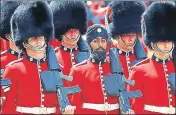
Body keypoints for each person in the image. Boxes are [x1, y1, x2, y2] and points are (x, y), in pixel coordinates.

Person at [2, 1, 75, 114]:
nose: (38, 41)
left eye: (41, 38)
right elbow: (9, 106)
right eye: (33, 39)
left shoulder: (58, 68)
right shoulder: (13, 69)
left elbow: (60, 101)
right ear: (24, 42)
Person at [69, 24, 134, 114]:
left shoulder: (116, 68)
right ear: (89, 44)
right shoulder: (78, 70)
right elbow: (74, 104)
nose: (100, 45)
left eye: (103, 41)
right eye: (95, 41)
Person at [128, 1, 176, 114]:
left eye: (169, 41)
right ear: (153, 43)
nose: (166, 44)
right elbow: (136, 105)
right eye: (162, 41)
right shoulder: (138, 71)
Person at [49, 1, 90, 81]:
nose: (73, 34)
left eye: (76, 30)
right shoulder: (53, 56)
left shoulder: (89, 54)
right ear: (61, 31)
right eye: (69, 30)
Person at [106, 1, 147, 79]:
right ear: (118, 36)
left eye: (133, 34)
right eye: (126, 35)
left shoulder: (144, 59)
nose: (131, 38)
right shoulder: (108, 60)